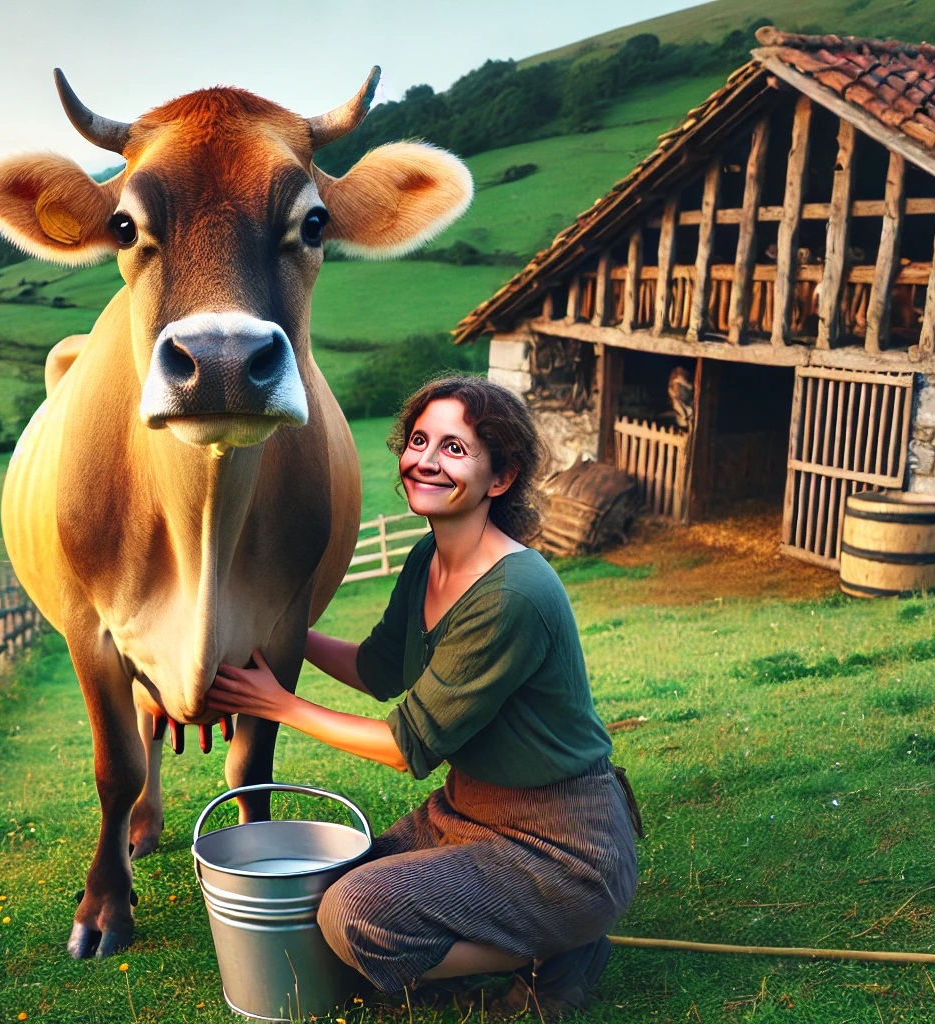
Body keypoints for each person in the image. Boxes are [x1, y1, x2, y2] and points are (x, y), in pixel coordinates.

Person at [206, 373, 641, 1019]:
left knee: (354, 912)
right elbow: (380, 668)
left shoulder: (511, 595)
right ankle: (529, 935)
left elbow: (401, 745)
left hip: (561, 849)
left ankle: (561, 948)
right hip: (466, 816)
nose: (425, 461)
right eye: (417, 440)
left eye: (454, 448)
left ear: (501, 478)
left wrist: (279, 704)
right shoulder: (427, 559)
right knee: (335, 876)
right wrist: (273, 632)